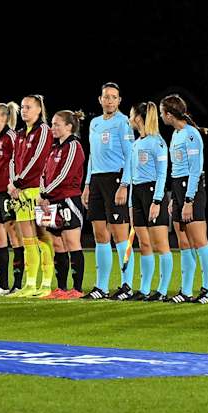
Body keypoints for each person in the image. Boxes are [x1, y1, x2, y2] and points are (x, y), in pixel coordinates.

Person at [115, 103, 171, 301]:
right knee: (144, 244)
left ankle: (162, 291)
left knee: (160, 244)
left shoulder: (157, 142)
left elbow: (163, 174)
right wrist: (131, 204)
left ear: (139, 117)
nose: (129, 119)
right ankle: (145, 289)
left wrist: (157, 201)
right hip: (137, 194)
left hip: (152, 193)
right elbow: (132, 177)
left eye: (131, 115)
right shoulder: (136, 143)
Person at [160, 94, 208, 303]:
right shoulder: (176, 134)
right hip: (178, 188)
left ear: (168, 114)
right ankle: (186, 290)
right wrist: (175, 197)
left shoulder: (191, 135)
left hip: (192, 190)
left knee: (199, 241)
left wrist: (189, 200)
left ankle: (207, 291)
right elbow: (177, 170)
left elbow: (194, 170)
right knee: (183, 242)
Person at [83, 83, 135, 299]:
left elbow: (131, 155)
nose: (110, 101)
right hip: (96, 180)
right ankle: (101, 286)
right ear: (100, 99)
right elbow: (92, 156)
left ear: (119, 100)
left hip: (116, 179)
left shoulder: (123, 123)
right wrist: (87, 184)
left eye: (114, 97)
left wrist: (124, 184)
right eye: (106, 97)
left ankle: (127, 285)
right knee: (100, 235)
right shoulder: (94, 123)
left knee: (120, 234)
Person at [40, 109, 89, 299]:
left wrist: (45, 192)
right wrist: (44, 195)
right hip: (51, 201)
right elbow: (45, 173)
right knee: (57, 244)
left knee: (71, 242)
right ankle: (60, 288)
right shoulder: (54, 148)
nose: (53, 127)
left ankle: (76, 289)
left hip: (68, 199)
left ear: (69, 126)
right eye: (52, 124)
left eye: (56, 124)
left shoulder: (74, 146)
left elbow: (65, 174)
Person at [8, 95, 53, 297]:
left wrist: (18, 181)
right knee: (27, 240)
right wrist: (12, 184)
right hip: (21, 192)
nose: (24, 110)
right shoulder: (19, 134)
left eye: (28, 107)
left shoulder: (43, 130)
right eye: (23, 107)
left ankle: (46, 283)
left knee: (43, 236)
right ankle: (30, 283)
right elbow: (12, 160)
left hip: (39, 191)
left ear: (39, 110)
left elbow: (39, 159)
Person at [0, 102, 21, 295]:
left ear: (4, 117)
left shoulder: (11, 137)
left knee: (15, 239)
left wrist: (14, 184)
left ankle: (17, 284)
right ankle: (3, 285)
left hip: (8, 194)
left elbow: (18, 162)